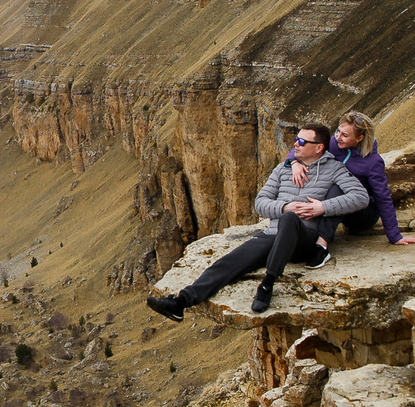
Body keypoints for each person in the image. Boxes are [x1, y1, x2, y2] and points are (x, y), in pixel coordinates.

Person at [145, 122, 370, 321]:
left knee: (291, 219)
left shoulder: (334, 170)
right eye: (296, 140)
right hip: (272, 234)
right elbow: (260, 202)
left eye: (302, 141)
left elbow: (360, 198)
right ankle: (180, 303)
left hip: (303, 239)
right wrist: (283, 207)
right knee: (229, 262)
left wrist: (321, 207)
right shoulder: (284, 169)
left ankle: (267, 284)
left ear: (319, 147)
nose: (296, 145)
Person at [330, 110, 415, 248]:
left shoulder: (373, 162)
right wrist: (294, 162)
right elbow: (307, 145)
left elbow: (382, 197)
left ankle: (320, 242)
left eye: (345, 135)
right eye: (338, 131)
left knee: (336, 192)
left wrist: (394, 236)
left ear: (359, 138)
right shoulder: (335, 144)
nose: (338, 137)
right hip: (339, 201)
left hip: (363, 213)